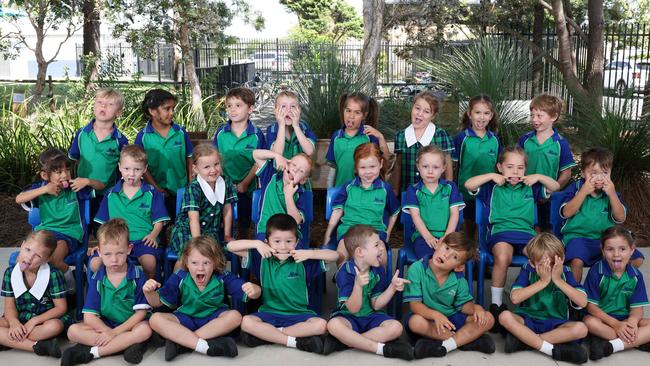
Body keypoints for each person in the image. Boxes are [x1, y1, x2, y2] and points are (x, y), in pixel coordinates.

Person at [464, 146, 560, 322]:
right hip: (501, 232)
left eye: (520, 168)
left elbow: (555, 186)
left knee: (542, 256)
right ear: (500, 167)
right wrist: (492, 176)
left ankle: (536, 304)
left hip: (526, 234)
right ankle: (496, 305)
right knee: (502, 257)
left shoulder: (531, 186)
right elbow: (468, 184)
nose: (515, 172)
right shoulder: (491, 186)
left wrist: (538, 176)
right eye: (509, 167)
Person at [227, 214, 338, 354]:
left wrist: (309, 253)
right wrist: (257, 243)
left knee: (321, 325)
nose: (283, 246)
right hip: (269, 313)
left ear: (297, 242)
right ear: (267, 242)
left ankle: (270, 335)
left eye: (289, 241)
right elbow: (231, 246)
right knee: (246, 322)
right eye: (277, 241)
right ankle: (293, 341)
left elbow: (335, 256)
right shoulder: (262, 259)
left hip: (299, 314)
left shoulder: (303, 261)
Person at [144, 235, 260, 361]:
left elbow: (247, 292)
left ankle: (183, 343)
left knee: (235, 316)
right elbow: (156, 303)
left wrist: (256, 290)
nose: (200, 268)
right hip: (186, 318)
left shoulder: (222, 276)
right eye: (194, 263)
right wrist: (149, 292)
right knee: (155, 319)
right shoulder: (180, 276)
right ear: (187, 263)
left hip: (213, 320)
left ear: (215, 262)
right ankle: (203, 346)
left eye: (206, 263)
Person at [63, 219, 152, 366]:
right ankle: (125, 344)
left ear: (129, 249)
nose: (114, 260)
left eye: (120, 253)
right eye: (108, 254)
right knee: (72, 331)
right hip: (107, 324)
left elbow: (140, 314)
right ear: (99, 252)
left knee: (145, 330)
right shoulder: (97, 278)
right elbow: (89, 317)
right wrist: (108, 332)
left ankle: (93, 352)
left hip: (130, 324)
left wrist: (115, 333)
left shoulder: (137, 275)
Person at [324, 225, 413, 360]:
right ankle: (380, 348)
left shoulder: (377, 270)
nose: (382, 248)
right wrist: (358, 286)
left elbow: (376, 305)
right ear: (360, 252)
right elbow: (353, 309)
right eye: (377, 245)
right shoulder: (345, 272)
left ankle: (347, 342)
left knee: (396, 327)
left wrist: (392, 288)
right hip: (349, 317)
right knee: (333, 325)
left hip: (371, 316)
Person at [498, 233, 589, 364]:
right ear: (532, 263)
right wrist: (542, 282)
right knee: (504, 316)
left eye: (552, 263)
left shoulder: (566, 271)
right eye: (542, 264)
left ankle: (526, 342)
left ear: (561, 259)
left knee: (581, 329)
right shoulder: (528, 269)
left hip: (556, 323)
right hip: (528, 319)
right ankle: (551, 349)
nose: (548, 268)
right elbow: (515, 298)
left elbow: (582, 301)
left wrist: (558, 280)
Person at [405, 232, 495, 359]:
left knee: (489, 318)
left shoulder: (458, 279)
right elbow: (415, 305)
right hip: (427, 317)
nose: (446, 255)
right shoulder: (417, 268)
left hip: (451, 319)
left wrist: (477, 309)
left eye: (454, 257)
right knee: (415, 322)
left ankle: (446, 346)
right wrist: (435, 315)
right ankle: (467, 340)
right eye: (446, 248)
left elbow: (464, 306)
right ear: (439, 243)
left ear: (459, 267)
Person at [560, 147, 644, 282]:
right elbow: (567, 212)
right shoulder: (576, 189)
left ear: (610, 173)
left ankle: (607, 284)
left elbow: (620, 217)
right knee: (576, 261)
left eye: (604, 173)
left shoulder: (611, 193)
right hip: (578, 238)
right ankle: (574, 297)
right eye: (593, 173)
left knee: (637, 259)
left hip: (605, 240)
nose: (599, 178)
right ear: (583, 173)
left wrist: (611, 195)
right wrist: (583, 192)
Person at [15, 148, 93, 285]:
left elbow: (101, 186)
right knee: (23, 260)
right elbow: (19, 199)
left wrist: (87, 181)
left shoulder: (75, 188)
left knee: (53, 261)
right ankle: (31, 295)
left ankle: (71, 284)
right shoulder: (41, 188)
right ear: (45, 176)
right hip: (43, 233)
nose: (65, 175)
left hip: (68, 234)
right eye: (58, 172)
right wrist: (44, 189)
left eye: (67, 170)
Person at [92, 145, 170, 279]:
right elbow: (102, 225)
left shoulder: (152, 193)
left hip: (142, 241)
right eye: (127, 169)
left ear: (144, 169)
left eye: (137, 169)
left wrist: (153, 235)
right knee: (94, 263)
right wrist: (100, 243)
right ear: (120, 167)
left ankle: (147, 292)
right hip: (115, 242)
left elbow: (159, 221)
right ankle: (106, 292)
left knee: (149, 262)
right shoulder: (111, 194)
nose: (131, 174)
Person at [323, 143, 400, 267]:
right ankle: (344, 278)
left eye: (372, 166)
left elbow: (394, 212)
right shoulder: (348, 187)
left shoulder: (385, 189)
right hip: (349, 230)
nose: (368, 172)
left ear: (380, 164)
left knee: (381, 256)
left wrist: (388, 233)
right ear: (356, 167)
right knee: (342, 253)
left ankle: (378, 282)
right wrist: (328, 234)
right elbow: (337, 211)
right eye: (363, 167)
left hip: (375, 231)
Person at [583, 226, 650, 360]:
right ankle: (636, 341)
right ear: (602, 250)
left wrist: (632, 322)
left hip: (624, 319)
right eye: (610, 249)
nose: (616, 254)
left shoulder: (636, 276)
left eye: (622, 249)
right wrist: (615, 324)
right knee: (589, 323)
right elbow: (590, 307)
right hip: (602, 319)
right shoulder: (597, 272)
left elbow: (637, 308)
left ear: (632, 250)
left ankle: (611, 345)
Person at [0, 230, 71, 357]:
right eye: (27, 250)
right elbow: (9, 307)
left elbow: (61, 308)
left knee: (53, 326)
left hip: (45, 319)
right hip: (21, 317)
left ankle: (11, 340)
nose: (29, 257)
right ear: (22, 245)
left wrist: (35, 321)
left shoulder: (53, 274)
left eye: (37, 256)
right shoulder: (10, 273)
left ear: (47, 259)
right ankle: (38, 346)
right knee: (5, 323)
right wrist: (13, 322)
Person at [68, 87, 129, 227]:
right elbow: (72, 160)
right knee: (82, 226)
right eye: (100, 102)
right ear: (94, 106)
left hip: (106, 195)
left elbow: (124, 169)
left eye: (110, 104)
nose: (103, 106)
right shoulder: (82, 134)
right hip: (82, 191)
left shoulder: (120, 140)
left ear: (118, 112)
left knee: (103, 229)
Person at [213, 87, 266, 239]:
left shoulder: (256, 135)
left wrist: (244, 183)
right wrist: (226, 183)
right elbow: (215, 159)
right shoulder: (221, 133)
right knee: (220, 224)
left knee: (244, 224)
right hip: (223, 187)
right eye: (229, 106)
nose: (233, 110)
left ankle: (244, 253)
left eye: (238, 105)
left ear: (250, 109)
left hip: (247, 189)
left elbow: (259, 162)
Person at [169, 143, 237, 259]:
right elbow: (193, 219)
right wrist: (197, 243)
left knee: (211, 257)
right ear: (196, 169)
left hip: (210, 232)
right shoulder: (193, 188)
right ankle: (179, 277)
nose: (213, 170)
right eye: (207, 167)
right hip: (187, 230)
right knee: (190, 256)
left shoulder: (225, 182)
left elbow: (227, 209)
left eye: (216, 164)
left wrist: (226, 235)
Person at [135, 89, 193, 224]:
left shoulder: (180, 132)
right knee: (160, 227)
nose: (172, 113)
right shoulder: (142, 137)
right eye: (167, 109)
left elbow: (189, 157)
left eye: (173, 108)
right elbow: (141, 167)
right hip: (156, 193)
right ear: (152, 111)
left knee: (181, 225)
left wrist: (190, 183)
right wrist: (156, 188)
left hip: (181, 191)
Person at [518, 94, 576, 229]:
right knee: (527, 227)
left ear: (553, 117)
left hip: (548, 196)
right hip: (524, 193)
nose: (534, 119)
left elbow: (566, 174)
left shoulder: (560, 143)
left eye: (539, 116)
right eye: (532, 115)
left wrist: (551, 190)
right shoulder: (524, 140)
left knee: (546, 230)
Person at [452, 94, 501, 238]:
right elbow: (454, 166)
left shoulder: (494, 140)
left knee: (482, 228)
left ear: (491, 116)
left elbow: (499, 167)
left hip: (487, 193)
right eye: (477, 112)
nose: (481, 117)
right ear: (469, 114)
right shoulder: (462, 138)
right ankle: (467, 255)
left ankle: (480, 254)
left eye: (486, 113)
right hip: (465, 192)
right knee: (467, 229)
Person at [403, 145, 464, 259]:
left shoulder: (450, 187)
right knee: (430, 259)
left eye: (435, 167)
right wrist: (428, 237)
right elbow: (415, 216)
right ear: (418, 166)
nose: (430, 171)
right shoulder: (413, 190)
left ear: (443, 168)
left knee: (454, 259)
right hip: (423, 237)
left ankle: (456, 277)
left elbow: (454, 214)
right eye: (425, 166)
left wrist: (447, 237)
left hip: (448, 235)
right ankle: (428, 276)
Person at [394, 90, 454, 193]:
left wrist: (449, 191)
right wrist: (396, 190)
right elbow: (398, 166)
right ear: (412, 108)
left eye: (426, 111)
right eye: (417, 108)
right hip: (408, 194)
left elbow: (448, 166)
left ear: (433, 116)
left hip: (434, 195)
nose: (420, 114)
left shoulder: (440, 135)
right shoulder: (401, 136)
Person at [326, 92, 390, 187]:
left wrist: (380, 137)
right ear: (343, 111)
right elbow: (333, 168)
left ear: (364, 115)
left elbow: (386, 158)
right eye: (348, 110)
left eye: (357, 112)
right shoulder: (336, 137)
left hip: (364, 191)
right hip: (341, 191)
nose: (351, 116)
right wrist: (330, 191)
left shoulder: (369, 136)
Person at [252, 149, 312, 248]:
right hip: (265, 231)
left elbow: (296, 220)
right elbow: (255, 154)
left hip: (289, 235)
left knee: (295, 254)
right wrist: (277, 155)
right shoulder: (270, 176)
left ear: (303, 180)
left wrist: (288, 196)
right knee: (262, 251)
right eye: (294, 165)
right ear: (287, 164)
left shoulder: (300, 194)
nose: (295, 170)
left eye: (301, 171)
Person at [266, 90, 317, 159]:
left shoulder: (304, 127)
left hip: (299, 169)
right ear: (275, 111)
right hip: (279, 169)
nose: (288, 110)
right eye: (283, 106)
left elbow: (310, 151)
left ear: (299, 110)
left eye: (293, 106)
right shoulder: (272, 130)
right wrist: (281, 126)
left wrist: (296, 126)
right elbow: (276, 154)